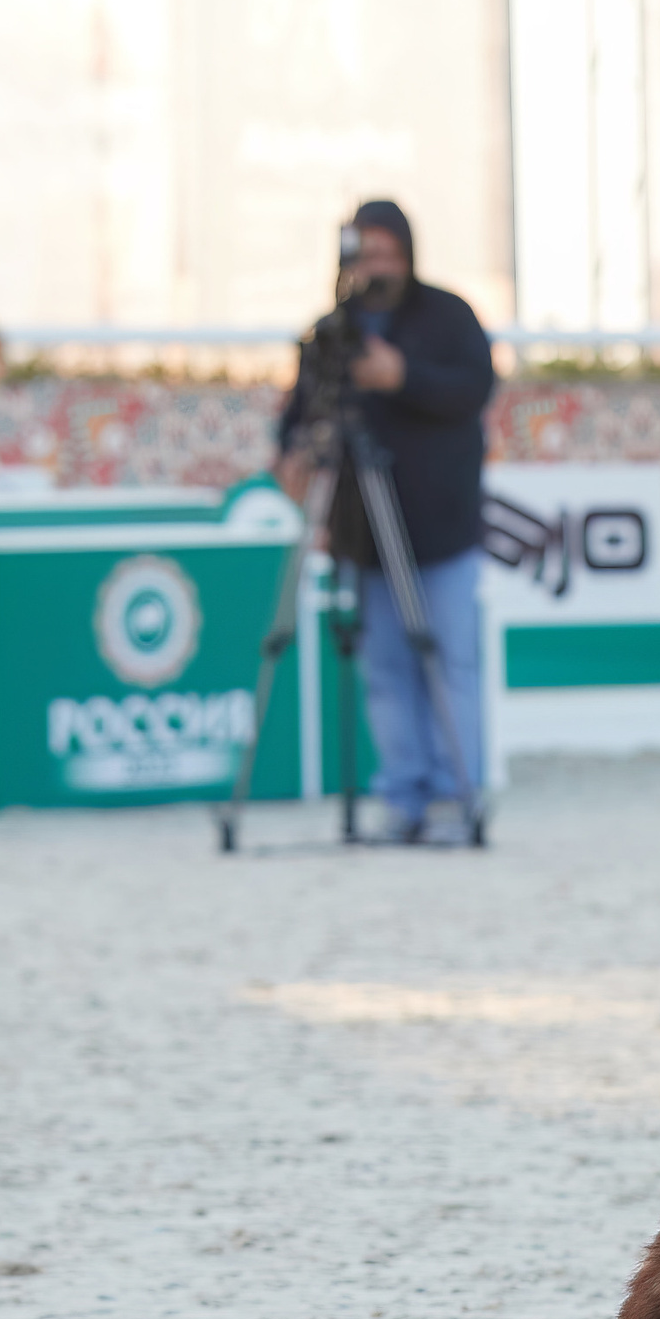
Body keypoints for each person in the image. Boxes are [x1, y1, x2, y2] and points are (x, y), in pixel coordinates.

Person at [275, 198, 495, 843]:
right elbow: (300, 418)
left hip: (442, 525)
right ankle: (403, 799)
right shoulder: (330, 334)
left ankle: (460, 799)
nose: (376, 267)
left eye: (385, 253)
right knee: (388, 672)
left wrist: (402, 376)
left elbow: (474, 388)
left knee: (450, 662)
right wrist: (292, 457)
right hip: (362, 534)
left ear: (406, 253)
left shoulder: (447, 316)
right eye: (363, 254)